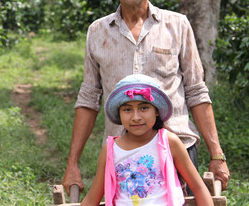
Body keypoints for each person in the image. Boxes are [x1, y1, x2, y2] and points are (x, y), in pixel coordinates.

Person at [62, 0, 230, 195]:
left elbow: (196, 92)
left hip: (178, 149)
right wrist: (72, 163)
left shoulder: (177, 25)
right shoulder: (97, 32)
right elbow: (88, 98)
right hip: (123, 154)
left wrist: (217, 154)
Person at [81, 74, 213, 206]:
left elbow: (199, 188)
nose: (136, 117)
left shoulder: (169, 142)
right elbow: (93, 198)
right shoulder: (111, 149)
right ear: (119, 114)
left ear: (156, 111)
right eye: (127, 109)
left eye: (144, 108)